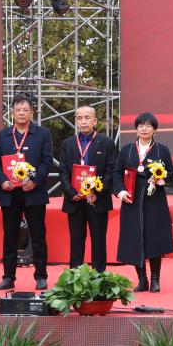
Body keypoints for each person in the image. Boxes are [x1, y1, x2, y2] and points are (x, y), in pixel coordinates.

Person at [0, 94, 54, 290]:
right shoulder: (3, 134)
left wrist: (34, 181)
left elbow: (47, 161)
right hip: (10, 193)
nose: (21, 113)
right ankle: (8, 276)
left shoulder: (42, 133)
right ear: (12, 113)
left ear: (32, 113)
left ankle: (41, 276)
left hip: (33, 192)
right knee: (10, 237)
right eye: (18, 110)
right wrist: (2, 181)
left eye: (25, 110)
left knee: (38, 236)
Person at [112, 112, 173, 292]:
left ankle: (155, 279)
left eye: (148, 126)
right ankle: (142, 279)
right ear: (136, 129)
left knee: (155, 237)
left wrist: (162, 178)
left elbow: (171, 173)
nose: (144, 129)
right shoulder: (127, 149)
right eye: (140, 125)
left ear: (155, 129)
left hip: (154, 198)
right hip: (131, 198)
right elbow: (116, 173)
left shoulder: (162, 149)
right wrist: (120, 191)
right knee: (134, 237)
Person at [58, 105, 116, 272]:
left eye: (87, 118)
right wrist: (71, 193)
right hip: (75, 201)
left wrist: (97, 191)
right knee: (76, 241)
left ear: (95, 121)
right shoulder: (67, 144)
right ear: (76, 121)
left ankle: (99, 276)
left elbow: (111, 171)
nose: (83, 121)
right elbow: (63, 171)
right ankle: (75, 277)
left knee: (99, 241)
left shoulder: (107, 143)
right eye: (79, 118)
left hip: (97, 200)